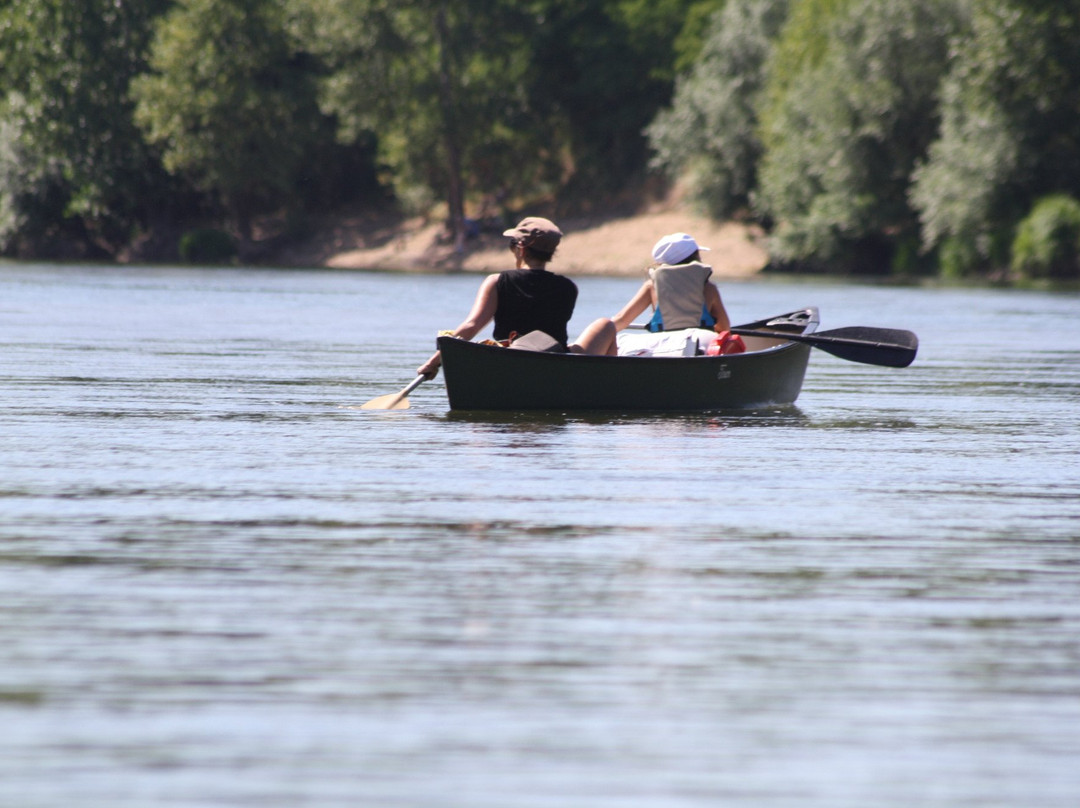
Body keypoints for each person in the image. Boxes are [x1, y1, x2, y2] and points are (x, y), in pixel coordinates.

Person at [417, 217, 578, 378]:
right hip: (553, 366)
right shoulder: (569, 287)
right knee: (603, 325)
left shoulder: (497, 282)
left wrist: (433, 363)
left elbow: (471, 326)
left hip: (509, 365)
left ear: (521, 248)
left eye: (512, 244)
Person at [571, 232, 733, 356]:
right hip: (700, 343)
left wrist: (602, 338)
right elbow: (724, 328)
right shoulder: (707, 287)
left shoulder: (652, 286)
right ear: (696, 258)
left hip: (664, 347)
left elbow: (621, 321)